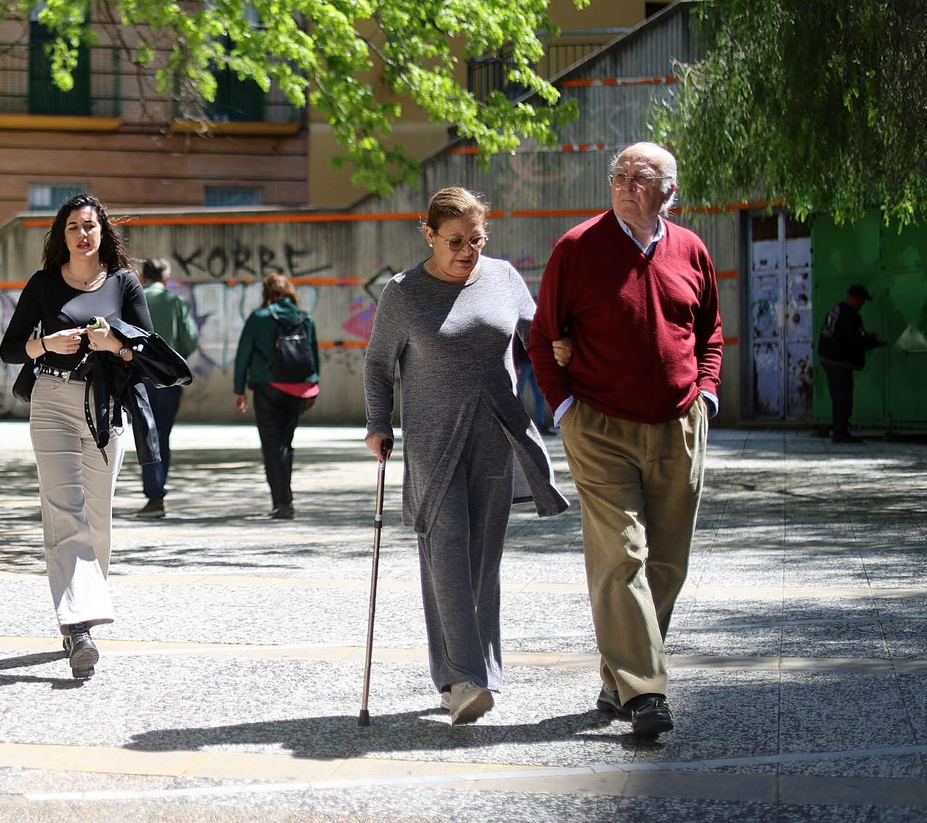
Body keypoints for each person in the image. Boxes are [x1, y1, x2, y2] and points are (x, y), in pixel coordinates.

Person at [528, 142, 723, 740]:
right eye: (618, 174)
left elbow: (710, 328)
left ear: (669, 189)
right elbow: (543, 337)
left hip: (679, 423)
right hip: (601, 427)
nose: (625, 184)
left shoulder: (691, 248)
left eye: (640, 176)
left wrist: (707, 392)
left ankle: (618, 678)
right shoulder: (578, 247)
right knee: (623, 558)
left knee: (667, 563)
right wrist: (565, 408)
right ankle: (646, 693)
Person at [363, 187, 570, 725]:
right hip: (434, 443)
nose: (466, 251)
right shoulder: (404, 293)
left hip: (496, 434)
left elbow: (538, 335)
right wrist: (377, 425)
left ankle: (472, 674)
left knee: (483, 562)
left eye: (476, 239)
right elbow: (379, 365)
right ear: (428, 234)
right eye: (454, 241)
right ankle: (465, 679)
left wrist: (564, 351)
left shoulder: (502, 278)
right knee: (447, 556)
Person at [0, 194, 152, 679]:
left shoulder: (125, 283)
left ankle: (78, 612)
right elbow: (9, 349)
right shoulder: (44, 284)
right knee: (64, 512)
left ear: (103, 231)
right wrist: (46, 343)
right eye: (72, 227)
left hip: (105, 408)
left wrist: (116, 343)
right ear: (61, 236)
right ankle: (79, 627)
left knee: (97, 515)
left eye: (89, 226)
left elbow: (147, 351)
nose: (82, 234)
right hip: (52, 402)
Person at [232, 273, 319, 520]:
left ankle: (282, 502)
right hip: (299, 390)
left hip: (268, 388)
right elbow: (313, 353)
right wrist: (314, 385)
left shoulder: (259, 318)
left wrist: (239, 390)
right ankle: (285, 499)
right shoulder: (305, 318)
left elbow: (243, 355)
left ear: (267, 293)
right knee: (285, 444)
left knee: (272, 446)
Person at [132, 257, 200, 518]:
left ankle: (155, 495)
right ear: (166, 278)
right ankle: (158, 491)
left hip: (140, 380)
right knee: (163, 436)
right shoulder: (176, 302)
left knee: (147, 436)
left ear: (142, 277)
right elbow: (190, 339)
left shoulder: (134, 299)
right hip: (170, 381)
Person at [817, 283, 884, 444]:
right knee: (844, 398)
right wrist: (872, 341)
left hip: (827, 358)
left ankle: (839, 431)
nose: (862, 305)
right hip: (839, 361)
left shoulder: (836, 309)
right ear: (856, 298)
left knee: (838, 397)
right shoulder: (850, 314)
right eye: (862, 300)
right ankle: (840, 433)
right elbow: (854, 339)